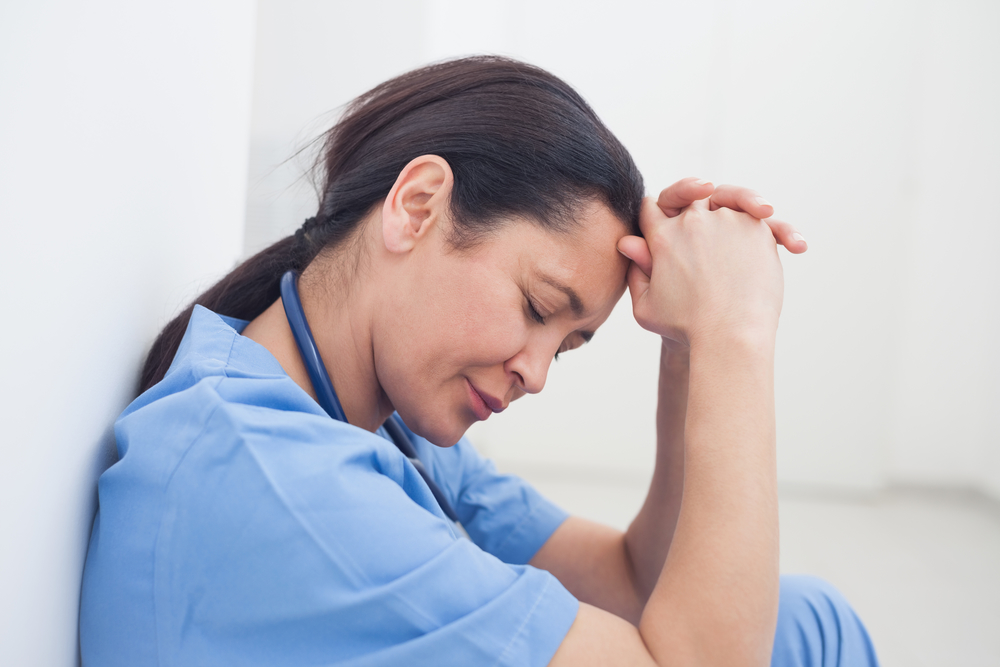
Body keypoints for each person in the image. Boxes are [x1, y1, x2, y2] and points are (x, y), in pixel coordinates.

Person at [80, 56, 879, 666]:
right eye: (537, 308)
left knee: (806, 616)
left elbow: (634, 578)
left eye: (566, 345)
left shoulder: (378, 422)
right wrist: (740, 333)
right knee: (814, 633)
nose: (536, 372)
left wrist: (689, 344)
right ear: (417, 206)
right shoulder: (285, 483)